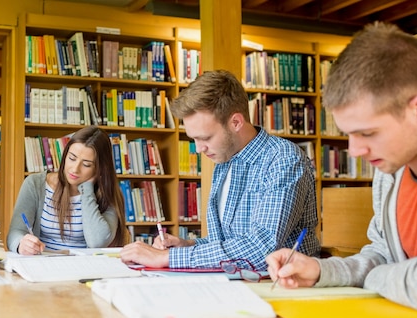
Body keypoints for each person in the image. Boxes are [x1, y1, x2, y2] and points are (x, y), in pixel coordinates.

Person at [266, 22, 417, 313]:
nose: (354, 151)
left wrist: (374, 277)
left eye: (367, 133)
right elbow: (381, 254)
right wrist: (321, 270)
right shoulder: (389, 172)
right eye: (349, 135)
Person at [120, 69, 319, 270]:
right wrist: (187, 245)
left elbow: (262, 250)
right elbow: (226, 243)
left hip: (279, 285)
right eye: (194, 139)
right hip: (234, 283)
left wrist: (167, 258)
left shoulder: (282, 159)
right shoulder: (224, 161)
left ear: (236, 122)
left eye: (205, 138)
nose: (198, 149)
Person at [8, 125, 128, 255]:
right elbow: (15, 232)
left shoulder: (106, 194)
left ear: (100, 168)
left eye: (86, 164)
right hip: (41, 264)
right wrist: (21, 243)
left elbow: (97, 242)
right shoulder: (35, 184)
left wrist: (87, 190)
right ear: (65, 155)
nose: (75, 169)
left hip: (83, 268)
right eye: (72, 158)